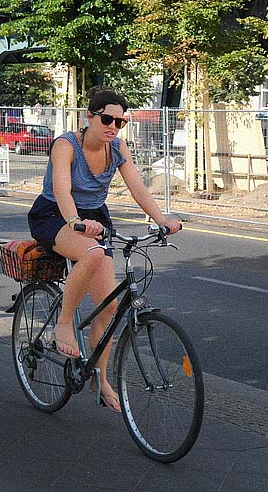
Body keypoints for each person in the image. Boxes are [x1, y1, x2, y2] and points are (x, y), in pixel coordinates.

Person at [27, 86, 181, 412]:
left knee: (109, 309)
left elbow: (137, 186)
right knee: (92, 252)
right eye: (107, 119)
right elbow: (62, 188)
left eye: (120, 122)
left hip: (95, 218)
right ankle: (64, 324)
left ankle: (100, 376)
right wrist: (74, 222)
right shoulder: (66, 145)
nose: (112, 126)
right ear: (90, 116)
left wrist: (161, 219)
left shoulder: (118, 147)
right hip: (56, 214)